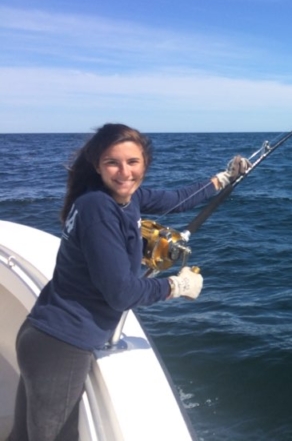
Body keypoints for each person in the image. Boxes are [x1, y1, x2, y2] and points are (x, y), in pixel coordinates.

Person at [7, 123, 250, 441]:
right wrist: (176, 286)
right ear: (98, 165)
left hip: (44, 334)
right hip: (62, 345)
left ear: (144, 164)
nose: (124, 172)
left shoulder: (122, 198)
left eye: (132, 162)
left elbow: (177, 198)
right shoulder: (99, 210)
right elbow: (121, 293)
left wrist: (223, 179)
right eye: (113, 162)